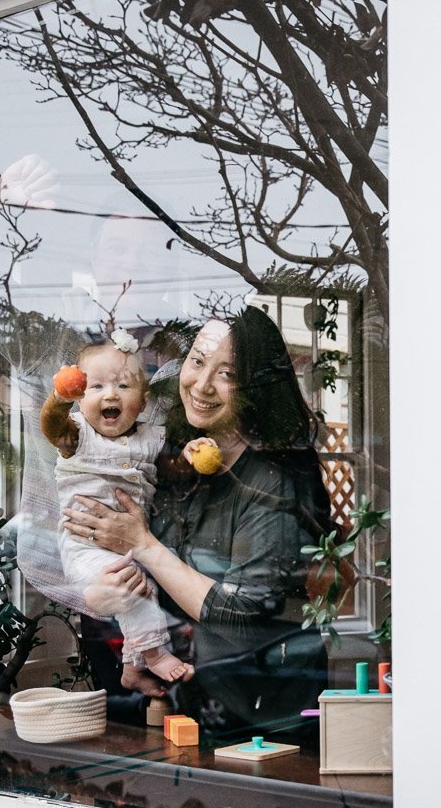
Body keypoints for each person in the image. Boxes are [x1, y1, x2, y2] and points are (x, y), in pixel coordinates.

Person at [61, 307, 334, 736]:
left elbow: (245, 616)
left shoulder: (272, 481)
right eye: (197, 361)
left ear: (256, 386)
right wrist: (135, 641)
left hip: (261, 721)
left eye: (226, 372)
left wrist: (143, 544)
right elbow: (160, 585)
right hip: (185, 707)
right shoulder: (174, 455)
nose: (202, 385)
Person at [41, 332, 192, 694]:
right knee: (131, 591)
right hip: (85, 546)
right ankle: (155, 654)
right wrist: (59, 399)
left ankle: (132, 669)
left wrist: (188, 457)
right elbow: (51, 426)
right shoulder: (77, 434)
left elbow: (173, 467)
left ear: (142, 403)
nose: (110, 394)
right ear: (81, 397)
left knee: (143, 589)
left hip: (128, 543)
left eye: (123, 386)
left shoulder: (151, 436)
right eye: (96, 387)